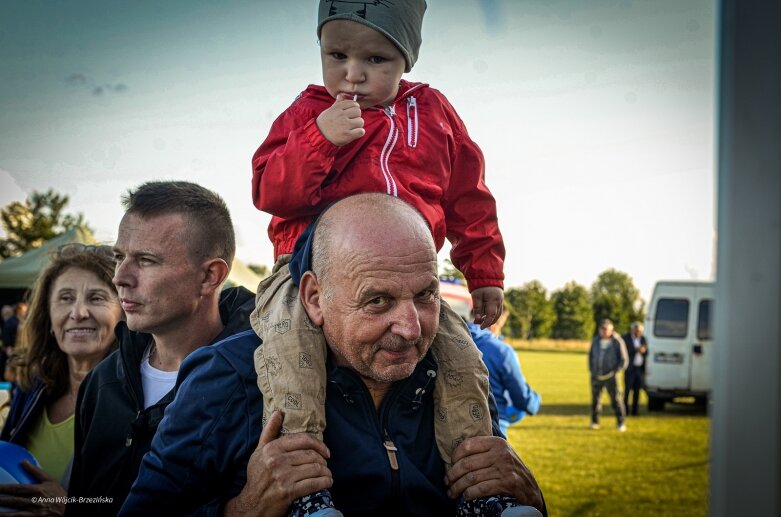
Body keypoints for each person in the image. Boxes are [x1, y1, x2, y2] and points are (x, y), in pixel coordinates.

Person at [121, 194, 544, 517]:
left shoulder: (453, 374)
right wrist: (244, 509)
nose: (411, 327)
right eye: (378, 301)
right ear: (314, 297)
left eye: (425, 295)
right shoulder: (228, 379)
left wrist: (530, 495)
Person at [250, 2, 506, 513]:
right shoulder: (307, 114)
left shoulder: (433, 113)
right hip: (304, 270)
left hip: (410, 283)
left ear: (406, 60)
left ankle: (483, 491)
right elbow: (268, 189)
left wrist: (484, 272)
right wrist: (320, 140)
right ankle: (307, 492)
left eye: (376, 59)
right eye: (337, 54)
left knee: (464, 364)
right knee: (290, 355)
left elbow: (468, 197)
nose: (353, 74)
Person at [66, 181, 255, 516]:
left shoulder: (257, 387)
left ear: (210, 276)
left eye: (146, 260)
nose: (120, 277)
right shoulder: (102, 381)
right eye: (119, 257)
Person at [0, 245, 123, 516]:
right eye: (65, 298)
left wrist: (72, 508)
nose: (78, 312)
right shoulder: (30, 390)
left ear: (123, 314)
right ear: (50, 320)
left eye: (97, 298)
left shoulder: (138, 410)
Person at [470, 308, 542, 436]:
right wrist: (535, 401)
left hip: (451, 427)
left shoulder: (448, 343)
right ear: (495, 323)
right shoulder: (502, 351)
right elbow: (521, 397)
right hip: (492, 427)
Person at [588, 319, 629, 431]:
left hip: (611, 377)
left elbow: (624, 360)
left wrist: (615, 371)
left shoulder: (617, 341)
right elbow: (590, 356)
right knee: (595, 400)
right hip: (596, 376)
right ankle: (594, 422)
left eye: (606, 329)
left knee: (616, 400)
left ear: (611, 330)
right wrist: (592, 371)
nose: (604, 331)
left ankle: (621, 423)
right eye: (602, 329)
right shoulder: (596, 341)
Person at [622, 321, 648, 416]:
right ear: (632, 329)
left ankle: (635, 411)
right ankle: (625, 410)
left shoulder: (643, 339)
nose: (638, 333)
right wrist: (636, 350)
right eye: (637, 331)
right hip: (629, 369)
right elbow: (623, 351)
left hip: (639, 369)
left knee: (637, 391)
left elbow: (646, 352)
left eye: (640, 331)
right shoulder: (626, 338)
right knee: (627, 390)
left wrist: (643, 351)